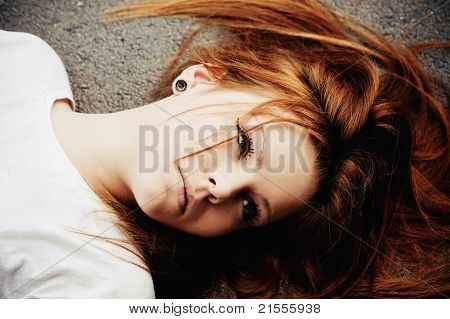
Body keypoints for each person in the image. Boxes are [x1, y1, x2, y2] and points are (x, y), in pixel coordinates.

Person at [1, 0, 448, 298]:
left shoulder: (103, 287)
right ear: (200, 80)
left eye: (250, 208)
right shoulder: (25, 59)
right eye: (243, 143)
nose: (222, 187)